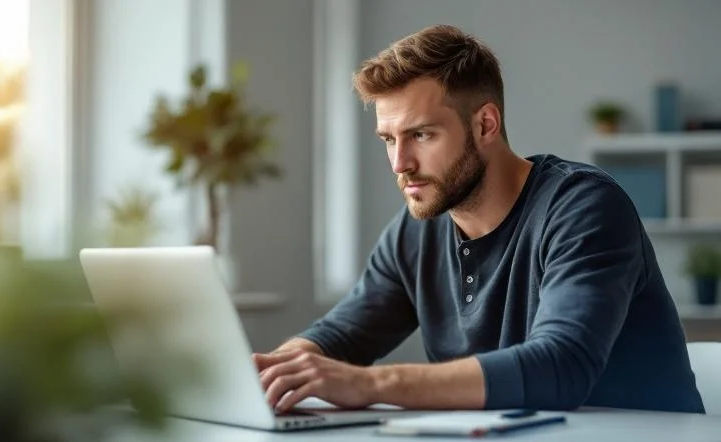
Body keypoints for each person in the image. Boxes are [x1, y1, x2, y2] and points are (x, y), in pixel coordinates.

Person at [252, 24, 705, 415]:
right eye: (388, 139)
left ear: (486, 125)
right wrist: (278, 371)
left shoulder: (583, 207)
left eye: (421, 134)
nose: (399, 163)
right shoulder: (417, 229)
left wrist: (370, 385)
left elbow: (562, 365)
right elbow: (342, 334)